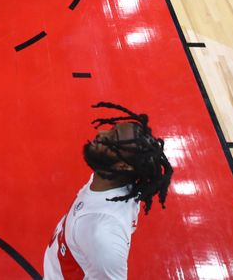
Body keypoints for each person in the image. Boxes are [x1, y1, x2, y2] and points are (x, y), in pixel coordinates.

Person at [43, 102, 174, 279]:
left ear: (123, 165)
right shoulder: (110, 178)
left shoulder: (102, 235)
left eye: (112, 141)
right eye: (111, 130)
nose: (101, 133)